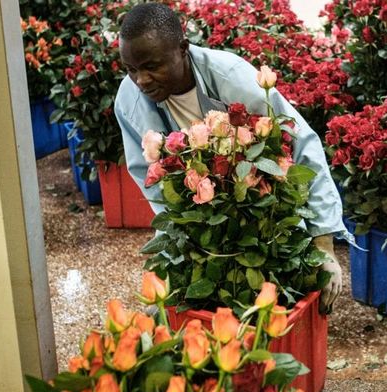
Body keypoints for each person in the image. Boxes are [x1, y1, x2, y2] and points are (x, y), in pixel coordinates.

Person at [114, 2, 344, 314]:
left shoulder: (231, 77)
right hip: (197, 219)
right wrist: (191, 236)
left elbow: (302, 145)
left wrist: (324, 245)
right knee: (166, 307)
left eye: (152, 66)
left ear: (182, 49)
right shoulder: (129, 101)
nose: (141, 80)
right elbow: (151, 179)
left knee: (282, 295)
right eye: (131, 69)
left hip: (263, 208)